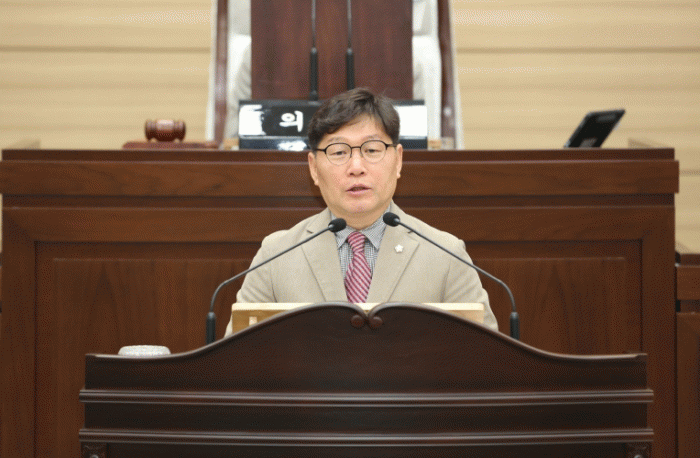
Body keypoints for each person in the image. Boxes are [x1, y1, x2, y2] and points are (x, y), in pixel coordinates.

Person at [224, 88, 496, 336]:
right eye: (339, 152)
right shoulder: (276, 255)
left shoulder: (446, 255)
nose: (356, 167)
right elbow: (236, 359)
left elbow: (487, 359)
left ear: (398, 160)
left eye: (372, 150)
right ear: (314, 168)